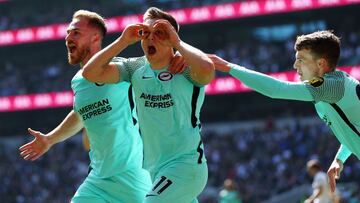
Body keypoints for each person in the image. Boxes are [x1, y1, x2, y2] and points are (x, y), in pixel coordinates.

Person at [18, 10, 159, 203]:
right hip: (99, 179)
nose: (68, 37)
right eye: (68, 33)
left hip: (133, 175)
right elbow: (79, 114)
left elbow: (159, 63)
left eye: (75, 32)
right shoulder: (78, 81)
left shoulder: (123, 69)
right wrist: (50, 139)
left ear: (95, 38)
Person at [82, 7, 215, 203]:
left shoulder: (185, 67)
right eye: (146, 33)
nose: (150, 38)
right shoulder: (134, 68)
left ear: (170, 37)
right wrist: (122, 41)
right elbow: (90, 73)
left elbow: (207, 69)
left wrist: (177, 43)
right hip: (155, 170)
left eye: (159, 33)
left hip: (185, 166)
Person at [208, 30, 360, 193]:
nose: (295, 66)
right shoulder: (334, 85)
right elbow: (353, 127)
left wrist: (229, 67)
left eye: (300, 60)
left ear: (320, 64)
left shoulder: (327, 86)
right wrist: (340, 159)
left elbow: (276, 89)